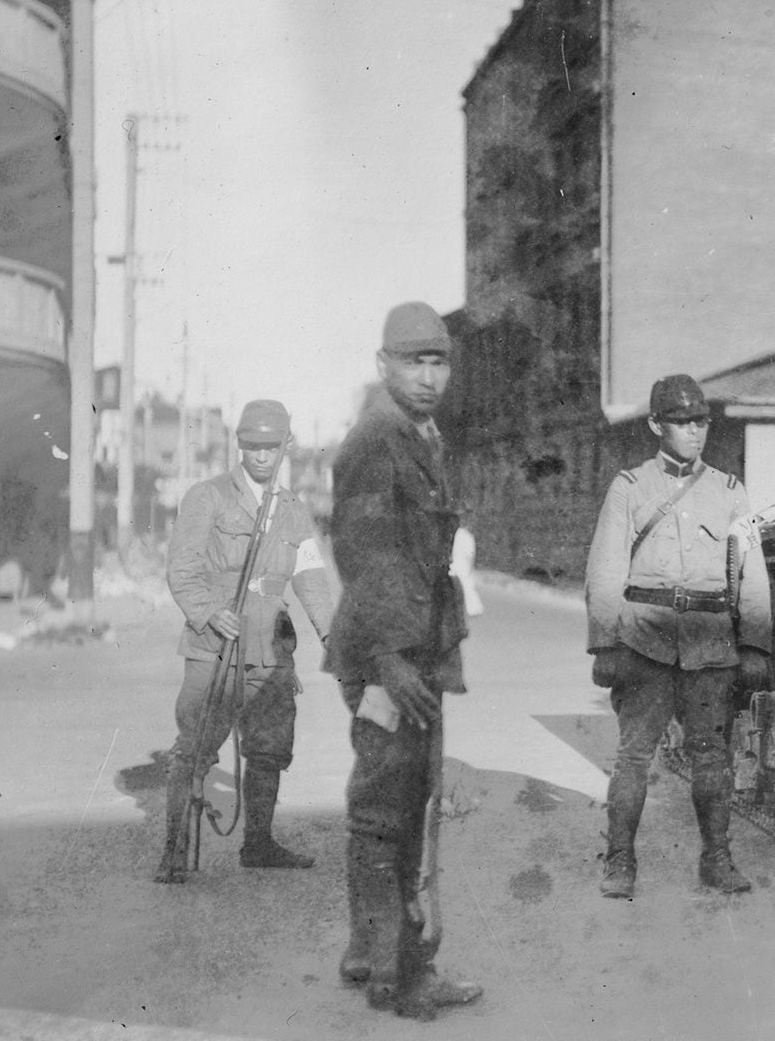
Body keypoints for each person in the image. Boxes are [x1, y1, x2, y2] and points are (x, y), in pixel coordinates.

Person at [325, 302, 482, 1020]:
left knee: (395, 805)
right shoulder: (376, 439)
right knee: (389, 811)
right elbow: (365, 555)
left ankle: (373, 954)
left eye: (438, 361)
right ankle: (402, 975)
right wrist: (389, 659)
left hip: (416, 651)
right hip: (391, 656)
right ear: (382, 364)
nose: (428, 376)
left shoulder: (421, 436)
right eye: (413, 361)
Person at [584, 374, 772, 900]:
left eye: (701, 421)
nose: (694, 432)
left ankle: (717, 860)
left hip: (711, 644)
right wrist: (605, 645)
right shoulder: (630, 487)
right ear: (655, 425)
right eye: (682, 422)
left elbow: (750, 572)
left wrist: (755, 644)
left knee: (713, 758)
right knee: (633, 758)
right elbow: (605, 570)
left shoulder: (731, 492)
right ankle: (620, 863)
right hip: (645, 641)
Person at [158, 399, 334, 884]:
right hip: (215, 645)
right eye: (252, 446)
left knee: (270, 749)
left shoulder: (293, 510)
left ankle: (258, 844)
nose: (261, 456)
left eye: (270, 446)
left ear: (286, 447)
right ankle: (175, 851)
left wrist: (331, 633)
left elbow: (312, 577)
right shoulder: (207, 496)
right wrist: (209, 611)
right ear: (239, 446)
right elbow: (182, 567)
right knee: (195, 748)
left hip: (272, 650)